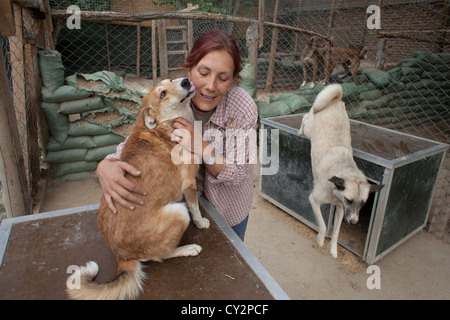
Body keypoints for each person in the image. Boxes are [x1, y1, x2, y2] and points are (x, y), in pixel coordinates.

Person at [96, 29, 258, 241]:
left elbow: (238, 174)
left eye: (223, 78)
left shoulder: (242, 107)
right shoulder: (174, 93)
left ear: (234, 80)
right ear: (189, 69)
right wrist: (106, 164)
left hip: (229, 208)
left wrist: (201, 146)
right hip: (184, 206)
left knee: (233, 260)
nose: (210, 87)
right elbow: (143, 137)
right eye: (203, 73)